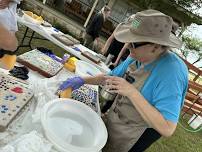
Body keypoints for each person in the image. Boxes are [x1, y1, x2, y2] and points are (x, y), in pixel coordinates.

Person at [58, 10, 188, 152]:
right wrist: (83, 80)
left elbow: (167, 128)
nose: (127, 46)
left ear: (156, 46)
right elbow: (111, 77)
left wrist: (132, 92)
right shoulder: (136, 54)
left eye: (133, 43)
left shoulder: (172, 72)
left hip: (139, 131)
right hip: (120, 116)